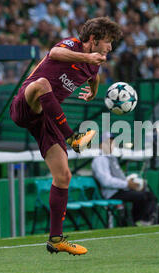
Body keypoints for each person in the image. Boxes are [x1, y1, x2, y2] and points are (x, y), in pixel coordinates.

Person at [9, 17, 123, 256]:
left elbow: (94, 74)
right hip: (26, 104)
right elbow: (53, 54)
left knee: (63, 176)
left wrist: (93, 91)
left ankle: (56, 239)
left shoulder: (94, 63)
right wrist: (87, 57)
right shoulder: (71, 46)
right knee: (41, 83)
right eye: (107, 42)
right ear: (93, 40)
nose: (110, 47)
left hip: (47, 118)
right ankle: (73, 138)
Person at [91, 132, 156, 226]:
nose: (111, 145)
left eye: (112, 142)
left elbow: (119, 177)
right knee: (142, 196)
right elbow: (106, 181)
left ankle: (143, 221)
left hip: (120, 190)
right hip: (112, 193)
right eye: (108, 142)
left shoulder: (111, 158)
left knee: (148, 194)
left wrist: (130, 183)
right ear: (101, 145)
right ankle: (139, 222)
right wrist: (127, 184)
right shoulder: (100, 160)